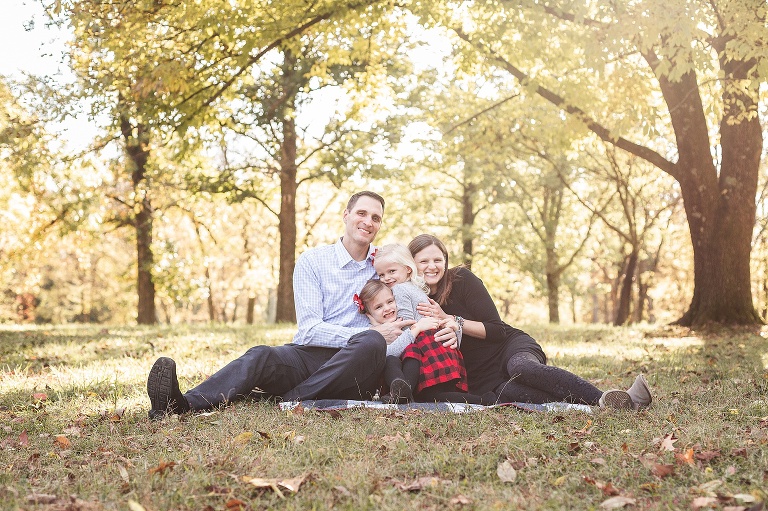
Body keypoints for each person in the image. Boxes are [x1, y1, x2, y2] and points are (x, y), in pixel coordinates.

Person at [146, 191, 428, 419]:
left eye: (376, 218)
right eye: (362, 213)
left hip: (360, 364)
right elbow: (308, 331)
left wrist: (453, 319)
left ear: (380, 226)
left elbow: (416, 282)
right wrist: (371, 334)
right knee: (261, 355)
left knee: (370, 343)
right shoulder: (313, 261)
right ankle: (180, 403)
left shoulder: (382, 266)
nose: (368, 221)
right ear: (346, 215)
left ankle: (293, 398)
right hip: (310, 355)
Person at [407, 234, 652, 410]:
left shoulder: (461, 280)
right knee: (512, 393)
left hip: (507, 347)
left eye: (437, 260)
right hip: (482, 377)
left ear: (445, 261)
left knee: (522, 369)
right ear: (411, 265)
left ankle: (611, 400)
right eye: (424, 261)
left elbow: (497, 330)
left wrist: (455, 321)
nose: (432, 267)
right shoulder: (411, 298)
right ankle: (604, 404)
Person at [368, 244, 496, 404]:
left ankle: (483, 400)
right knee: (435, 395)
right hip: (440, 347)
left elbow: (406, 325)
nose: (386, 278)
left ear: (408, 269)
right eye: (381, 275)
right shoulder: (416, 287)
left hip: (428, 349)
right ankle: (482, 399)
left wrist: (377, 324)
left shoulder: (399, 289)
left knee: (430, 395)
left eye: (392, 271)